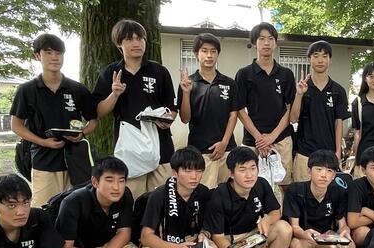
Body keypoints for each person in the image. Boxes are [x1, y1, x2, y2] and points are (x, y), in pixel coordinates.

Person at [10, 33, 98, 207]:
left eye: (58, 53)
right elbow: (16, 125)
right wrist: (43, 142)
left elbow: (93, 121)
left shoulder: (77, 89)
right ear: (37, 55)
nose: (54, 57)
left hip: (77, 162)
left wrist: (81, 134)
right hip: (44, 161)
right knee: (45, 209)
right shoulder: (27, 90)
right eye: (48, 52)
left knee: (79, 208)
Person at [93, 19, 176, 198]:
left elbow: (171, 108)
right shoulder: (110, 73)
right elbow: (98, 111)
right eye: (130, 39)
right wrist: (114, 94)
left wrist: (167, 119)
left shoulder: (159, 71)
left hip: (161, 147)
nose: (136, 43)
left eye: (140, 38)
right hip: (129, 149)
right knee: (132, 200)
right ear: (119, 44)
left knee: (161, 200)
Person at [203, 147, 293, 248]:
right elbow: (217, 237)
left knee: (284, 228)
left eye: (253, 168)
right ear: (231, 173)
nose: (249, 175)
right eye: (242, 169)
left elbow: (276, 212)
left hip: (252, 237)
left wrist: (267, 220)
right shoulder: (219, 195)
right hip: (228, 241)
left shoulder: (261, 184)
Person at [56, 157, 138, 248]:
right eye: (109, 180)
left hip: (106, 246)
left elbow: (124, 233)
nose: (116, 187)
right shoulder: (72, 202)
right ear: (95, 182)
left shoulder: (125, 195)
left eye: (121, 180)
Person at [138, 146, 212, 248]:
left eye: (198, 171)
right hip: (163, 242)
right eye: (188, 171)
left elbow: (208, 226)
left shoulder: (204, 193)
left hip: (190, 241)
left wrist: (205, 234)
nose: (194, 176)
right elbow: (146, 237)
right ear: (175, 172)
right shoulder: (159, 195)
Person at [235, 22, 295, 191]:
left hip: (282, 139)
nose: (266, 43)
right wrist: (260, 139)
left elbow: (290, 108)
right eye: (262, 39)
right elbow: (240, 109)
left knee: (283, 185)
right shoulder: (244, 74)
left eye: (270, 39)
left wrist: (272, 136)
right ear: (255, 43)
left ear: (275, 42)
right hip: (253, 140)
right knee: (249, 185)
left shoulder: (286, 74)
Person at [177, 33, 240, 188]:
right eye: (204, 51)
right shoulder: (188, 83)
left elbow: (233, 115)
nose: (209, 55)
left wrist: (224, 143)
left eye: (213, 51)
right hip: (200, 151)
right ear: (196, 54)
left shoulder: (229, 83)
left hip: (227, 150)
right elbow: (185, 118)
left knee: (228, 193)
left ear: (218, 54)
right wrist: (186, 93)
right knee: (204, 194)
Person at [283, 150, 355, 248]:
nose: (323, 175)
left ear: (334, 175)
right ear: (309, 171)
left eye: (329, 171)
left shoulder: (338, 192)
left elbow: (342, 223)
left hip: (325, 238)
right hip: (303, 238)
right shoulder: (295, 190)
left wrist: (345, 231)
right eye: (319, 169)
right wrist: (304, 234)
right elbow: (295, 227)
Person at [289, 41, 350, 182]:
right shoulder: (301, 88)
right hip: (304, 153)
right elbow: (293, 118)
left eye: (324, 56)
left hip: (329, 154)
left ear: (330, 60)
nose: (320, 60)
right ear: (308, 59)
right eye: (316, 56)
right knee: (303, 192)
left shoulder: (338, 90)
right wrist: (299, 95)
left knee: (327, 193)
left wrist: (337, 153)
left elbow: (339, 123)